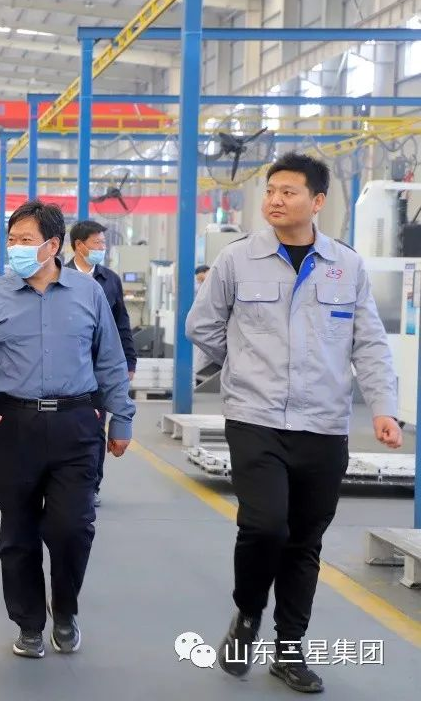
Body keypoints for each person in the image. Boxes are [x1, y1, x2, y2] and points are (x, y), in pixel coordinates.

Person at [186, 152, 401, 694]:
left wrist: (383, 407)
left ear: (318, 201)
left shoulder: (346, 265)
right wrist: (243, 367)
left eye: (288, 192)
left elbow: (369, 343)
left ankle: (289, 650)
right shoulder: (237, 259)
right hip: (255, 418)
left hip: (324, 425)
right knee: (264, 526)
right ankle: (248, 613)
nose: (275, 200)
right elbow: (202, 326)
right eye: (271, 190)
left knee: (305, 541)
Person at [0, 200, 135, 660]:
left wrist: (122, 418)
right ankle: (29, 622)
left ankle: (66, 610)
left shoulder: (88, 293)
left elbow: (110, 360)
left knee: (72, 527)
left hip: (77, 422)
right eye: (12, 240)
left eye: (26, 240)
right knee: (18, 531)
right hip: (12, 425)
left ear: (53, 245)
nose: (16, 248)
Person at [65, 220, 136, 507]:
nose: (101, 248)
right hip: (71, 366)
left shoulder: (110, 280)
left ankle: (91, 485)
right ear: (79, 245)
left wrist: (128, 361)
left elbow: (121, 324)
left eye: (103, 244)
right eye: (97, 243)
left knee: (96, 428)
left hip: (102, 367)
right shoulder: (60, 276)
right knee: (72, 427)